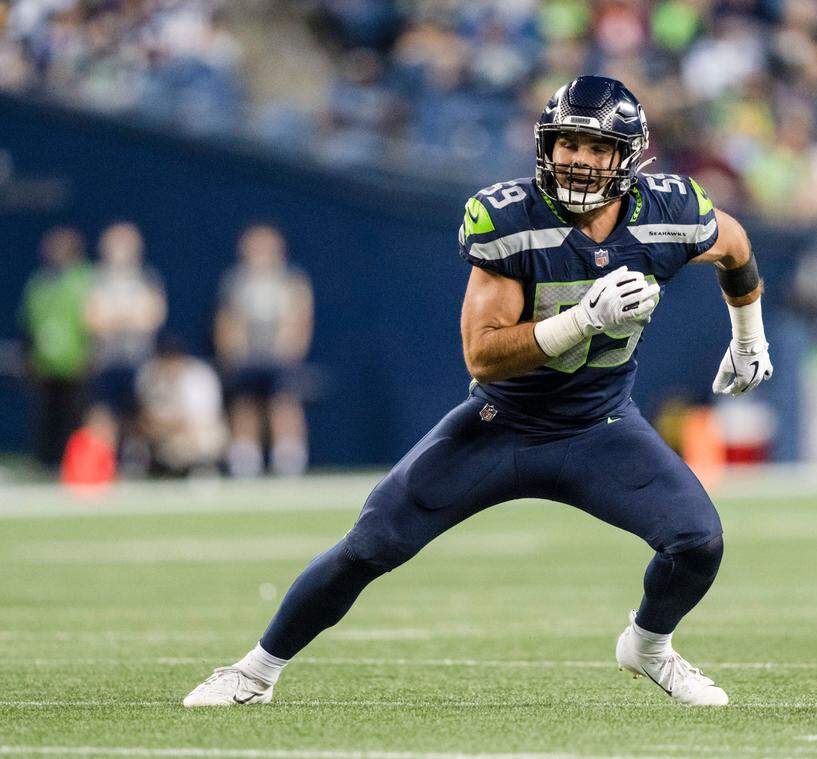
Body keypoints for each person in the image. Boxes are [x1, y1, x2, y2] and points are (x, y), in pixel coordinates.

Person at [183, 76, 772, 708]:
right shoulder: (511, 216)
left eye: (594, 147)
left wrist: (747, 336)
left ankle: (649, 647)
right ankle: (254, 672)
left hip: (600, 428)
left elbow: (735, 247)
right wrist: (583, 320)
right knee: (372, 543)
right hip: (502, 424)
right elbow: (484, 355)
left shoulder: (669, 210)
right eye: (565, 143)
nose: (575, 159)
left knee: (698, 541)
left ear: (626, 157)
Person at [214, 225, 314, 477]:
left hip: (280, 356)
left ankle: (289, 457)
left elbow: (300, 318)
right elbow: (226, 321)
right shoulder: (236, 281)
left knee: (284, 399)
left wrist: (290, 351)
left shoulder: (291, 279)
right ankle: (245, 458)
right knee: (245, 401)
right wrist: (233, 354)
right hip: (246, 356)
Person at [84, 222, 167, 466]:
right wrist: (126, 319)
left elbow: (153, 316)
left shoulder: (146, 277)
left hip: (138, 358)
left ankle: (137, 460)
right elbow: (92, 319)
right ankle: (100, 462)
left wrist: (117, 319)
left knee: (140, 412)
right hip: (106, 359)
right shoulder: (97, 279)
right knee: (102, 412)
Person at [18, 227, 93, 469]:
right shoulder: (39, 282)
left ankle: (74, 464)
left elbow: (92, 320)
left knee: (74, 417)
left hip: (76, 362)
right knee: (45, 417)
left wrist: (90, 353)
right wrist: (29, 355)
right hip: (45, 363)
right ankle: (44, 462)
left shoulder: (85, 278)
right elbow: (28, 321)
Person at [135, 335, 228, 477]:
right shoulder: (148, 376)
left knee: (209, 438)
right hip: (164, 436)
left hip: (198, 432)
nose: (169, 366)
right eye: (165, 360)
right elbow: (146, 419)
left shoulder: (200, 376)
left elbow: (203, 419)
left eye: (172, 360)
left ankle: (202, 468)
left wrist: (172, 423)